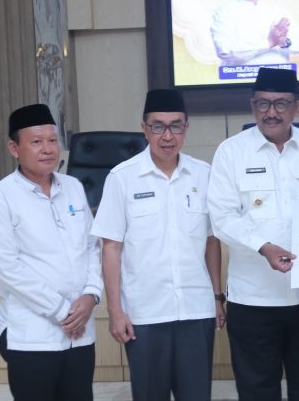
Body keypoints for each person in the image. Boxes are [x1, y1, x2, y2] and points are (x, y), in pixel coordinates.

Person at [207, 67, 299, 401]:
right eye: (263, 103)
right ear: (252, 106)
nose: (272, 112)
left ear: (297, 106)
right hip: (254, 298)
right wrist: (264, 246)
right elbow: (222, 217)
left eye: (281, 103)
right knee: (257, 390)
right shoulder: (231, 152)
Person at [90, 89, 225, 400]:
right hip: (144, 313)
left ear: (186, 127)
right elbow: (111, 248)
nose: (167, 136)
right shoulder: (122, 178)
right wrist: (115, 310)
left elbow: (211, 241)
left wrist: (217, 298)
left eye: (176, 126)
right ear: (144, 128)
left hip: (196, 309)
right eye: (158, 126)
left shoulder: (204, 175)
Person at [0, 104, 102, 401]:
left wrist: (91, 295)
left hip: (80, 334)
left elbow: (92, 246)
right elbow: (7, 267)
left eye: (52, 140)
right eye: (36, 142)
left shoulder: (73, 187)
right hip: (32, 336)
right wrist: (62, 311)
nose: (47, 149)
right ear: (14, 148)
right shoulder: (0, 198)